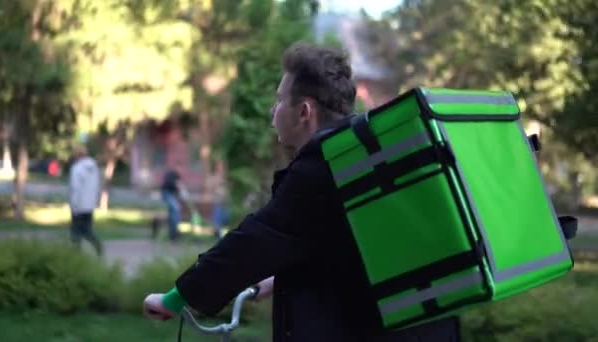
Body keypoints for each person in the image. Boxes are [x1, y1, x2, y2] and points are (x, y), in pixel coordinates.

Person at [143, 42, 461, 341]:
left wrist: (175, 298)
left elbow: (253, 240)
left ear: (304, 112)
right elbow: (353, 250)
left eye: (280, 100)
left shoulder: (321, 167)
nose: (272, 111)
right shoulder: (360, 157)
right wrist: (279, 279)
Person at [68, 145, 103, 256]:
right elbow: (97, 186)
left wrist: (74, 205)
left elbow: (75, 188)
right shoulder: (94, 167)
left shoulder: (77, 169)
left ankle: (76, 254)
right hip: (89, 205)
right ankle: (97, 246)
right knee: (87, 230)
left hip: (79, 206)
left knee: (75, 232)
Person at [160, 169, 182, 242]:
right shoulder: (172, 174)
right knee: (176, 210)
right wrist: (176, 185)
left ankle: (174, 234)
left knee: (173, 214)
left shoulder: (177, 176)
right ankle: (174, 234)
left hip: (170, 194)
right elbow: (169, 184)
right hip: (167, 193)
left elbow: (177, 189)